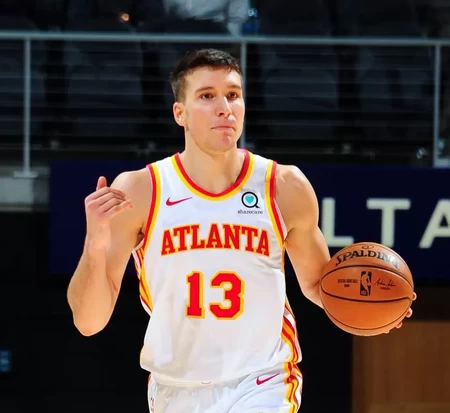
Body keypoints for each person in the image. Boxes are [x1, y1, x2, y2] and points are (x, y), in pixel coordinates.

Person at [67, 48, 415, 413]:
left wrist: (374, 309)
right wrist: (94, 244)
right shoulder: (142, 190)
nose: (224, 108)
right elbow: (89, 322)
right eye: (207, 96)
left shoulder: (284, 186)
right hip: (175, 388)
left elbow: (320, 285)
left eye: (233, 94)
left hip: (263, 382)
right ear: (179, 113)